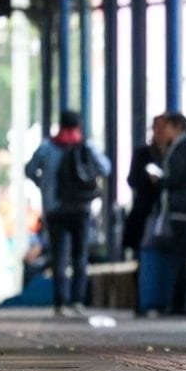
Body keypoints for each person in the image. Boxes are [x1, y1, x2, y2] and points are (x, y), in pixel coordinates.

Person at [23, 110, 111, 316]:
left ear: (60, 125)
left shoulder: (47, 147)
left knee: (59, 256)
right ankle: (78, 301)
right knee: (80, 256)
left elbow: (29, 170)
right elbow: (105, 168)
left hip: (55, 209)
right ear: (79, 126)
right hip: (81, 208)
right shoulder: (85, 146)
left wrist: (43, 185)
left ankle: (61, 303)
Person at [139, 112, 186, 315]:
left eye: (166, 127)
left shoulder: (185, 149)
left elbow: (179, 178)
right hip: (180, 209)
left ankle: (180, 303)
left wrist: (159, 180)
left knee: (181, 258)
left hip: (183, 210)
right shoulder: (180, 149)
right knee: (180, 257)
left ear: (177, 128)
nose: (163, 131)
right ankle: (179, 302)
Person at [123, 114, 166, 257]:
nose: (160, 132)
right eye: (157, 128)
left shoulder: (174, 154)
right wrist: (148, 179)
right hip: (145, 211)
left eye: (164, 128)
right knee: (142, 255)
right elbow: (131, 180)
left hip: (166, 212)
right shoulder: (142, 153)